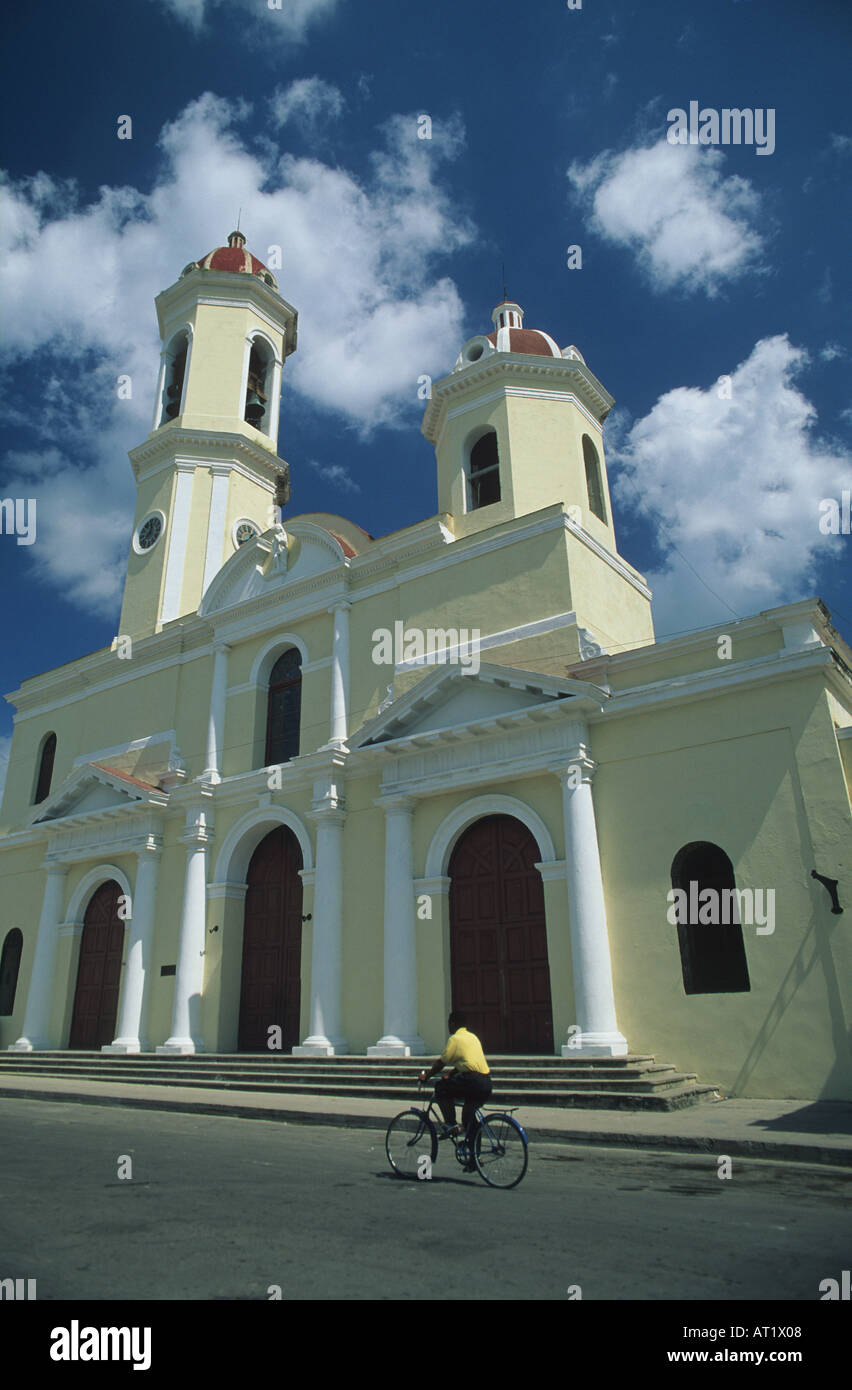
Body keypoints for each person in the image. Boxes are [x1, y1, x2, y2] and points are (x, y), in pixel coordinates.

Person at [419, 1012, 492, 1170]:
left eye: (449, 1023)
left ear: (452, 1024)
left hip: (472, 1081)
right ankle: (474, 1159)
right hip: (485, 1082)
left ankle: (451, 1124)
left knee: (440, 1088)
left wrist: (427, 1076)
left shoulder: (455, 1039)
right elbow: (463, 1062)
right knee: (469, 1120)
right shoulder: (472, 1037)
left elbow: (441, 1062)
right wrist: (450, 1075)